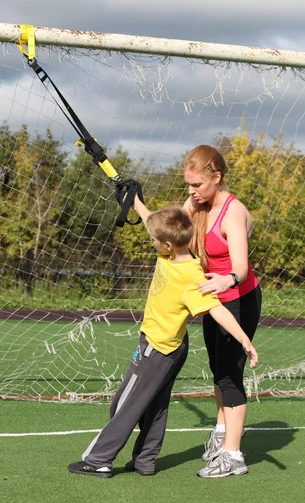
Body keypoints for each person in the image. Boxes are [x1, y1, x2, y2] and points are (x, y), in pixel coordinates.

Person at [67, 199, 258, 479]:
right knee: (155, 404)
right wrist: (136, 203)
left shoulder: (191, 277)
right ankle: (145, 460)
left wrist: (244, 339)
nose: (152, 241)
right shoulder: (173, 254)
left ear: (167, 244)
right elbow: (154, 224)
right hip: (173, 349)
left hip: (157, 349)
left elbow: (217, 309)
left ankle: (99, 460)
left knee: (124, 404)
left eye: (155, 240)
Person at [182, 144, 262, 478]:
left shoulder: (233, 212)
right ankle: (220, 432)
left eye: (198, 184)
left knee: (230, 374)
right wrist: (136, 202)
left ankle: (233, 455)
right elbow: (166, 229)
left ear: (217, 177)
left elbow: (241, 267)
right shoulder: (195, 204)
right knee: (217, 367)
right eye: (188, 184)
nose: (191, 191)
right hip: (215, 298)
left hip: (239, 298)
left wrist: (224, 279)